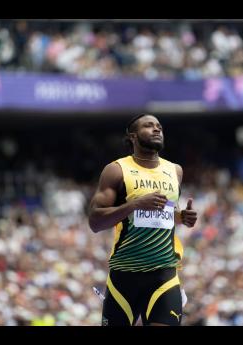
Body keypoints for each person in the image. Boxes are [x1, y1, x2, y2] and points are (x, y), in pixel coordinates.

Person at [88, 114, 197, 326]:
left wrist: (181, 217)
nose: (157, 130)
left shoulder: (175, 171)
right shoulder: (116, 170)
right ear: (133, 136)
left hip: (164, 273)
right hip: (125, 276)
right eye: (149, 126)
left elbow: (161, 214)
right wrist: (135, 204)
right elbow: (95, 222)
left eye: (159, 127)